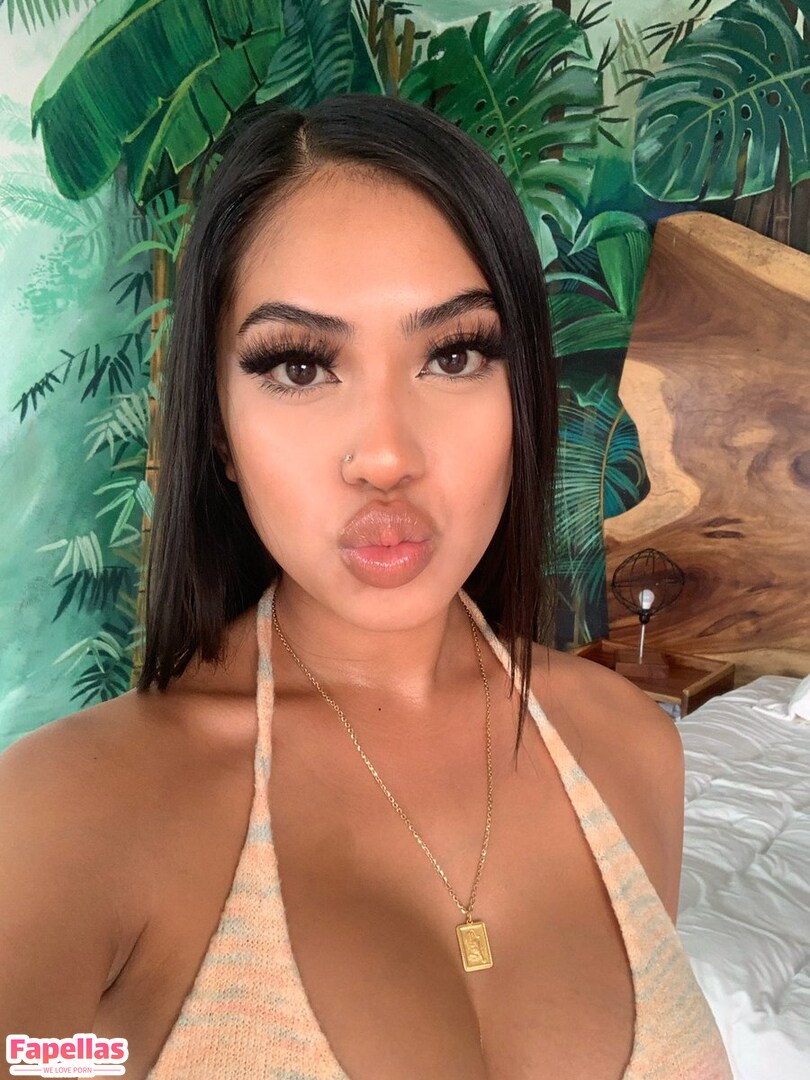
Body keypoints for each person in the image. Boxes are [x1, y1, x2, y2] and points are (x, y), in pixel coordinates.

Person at [0, 93, 732, 1079]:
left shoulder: (634, 749)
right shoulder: (66, 819)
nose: (385, 456)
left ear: (520, 393)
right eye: (301, 368)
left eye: (455, 354)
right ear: (217, 426)